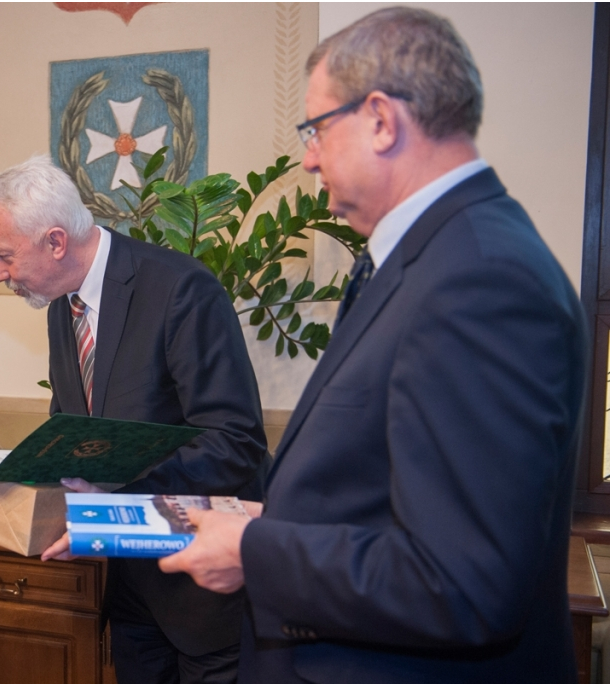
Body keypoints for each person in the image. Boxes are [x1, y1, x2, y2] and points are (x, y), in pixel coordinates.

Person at [159, 6, 587, 682]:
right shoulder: (432, 258)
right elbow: (389, 491)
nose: (307, 157)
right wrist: (277, 520)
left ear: (382, 120)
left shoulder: (479, 279)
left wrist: (257, 549)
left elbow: (463, 582)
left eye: (316, 129)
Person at [0, 156, 268, 683]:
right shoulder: (61, 301)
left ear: (56, 242)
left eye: (3, 255)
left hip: (204, 592)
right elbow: (75, 433)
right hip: (131, 593)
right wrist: (1, 502)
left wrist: (117, 493)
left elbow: (234, 442)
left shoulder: (181, 290)